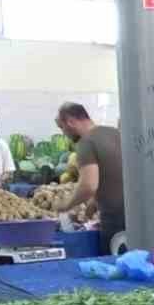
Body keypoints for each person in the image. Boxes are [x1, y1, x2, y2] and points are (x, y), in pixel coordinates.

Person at [55, 103, 126, 252]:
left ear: (70, 122)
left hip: (115, 220)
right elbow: (114, 172)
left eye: (62, 127)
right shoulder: (116, 133)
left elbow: (88, 185)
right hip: (137, 215)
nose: (64, 133)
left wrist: (66, 205)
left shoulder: (85, 142)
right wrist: (94, 201)